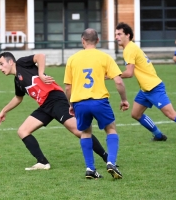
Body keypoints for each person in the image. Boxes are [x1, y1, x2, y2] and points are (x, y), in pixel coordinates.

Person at [0, 52, 110, 171]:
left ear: (10, 62)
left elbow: (40, 56)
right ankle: (42, 162)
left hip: (55, 99)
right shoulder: (17, 81)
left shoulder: (21, 63)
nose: (0, 68)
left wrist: (40, 74)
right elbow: (18, 98)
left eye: (1, 64)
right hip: (45, 106)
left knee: (79, 131)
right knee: (23, 131)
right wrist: (4, 111)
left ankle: (107, 158)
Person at [115, 22, 176, 147]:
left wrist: (112, 75)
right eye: (116, 34)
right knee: (136, 114)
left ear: (128, 35)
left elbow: (129, 73)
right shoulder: (131, 47)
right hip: (145, 88)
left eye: (119, 34)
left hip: (154, 87)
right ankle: (159, 136)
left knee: (171, 114)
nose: (117, 37)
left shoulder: (129, 49)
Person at [64, 28, 129, 180]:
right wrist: (124, 99)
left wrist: (71, 104)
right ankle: (111, 162)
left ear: (83, 41)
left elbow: (68, 87)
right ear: (98, 41)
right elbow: (118, 81)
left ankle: (90, 169)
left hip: (80, 102)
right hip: (99, 101)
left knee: (86, 133)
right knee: (111, 129)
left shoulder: (72, 59)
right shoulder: (104, 57)